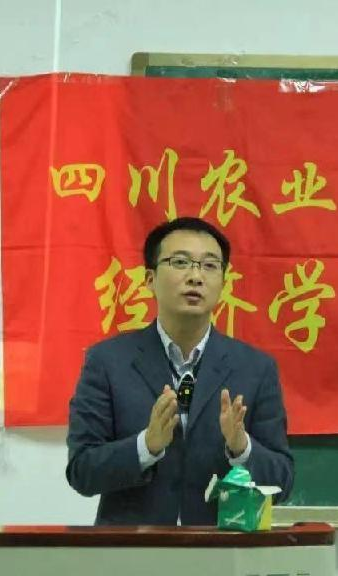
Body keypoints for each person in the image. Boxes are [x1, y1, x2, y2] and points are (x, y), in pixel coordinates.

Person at [66, 216, 294, 525]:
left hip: (220, 549)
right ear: (150, 279)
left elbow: (283, 482)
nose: (195, 277)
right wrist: (146, 446)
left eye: (209, 265)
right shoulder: (107, 362)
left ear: (223, 283)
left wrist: (242, 448)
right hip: (133, 549)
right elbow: (81, 472)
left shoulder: (255, 368)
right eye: (181, 262)